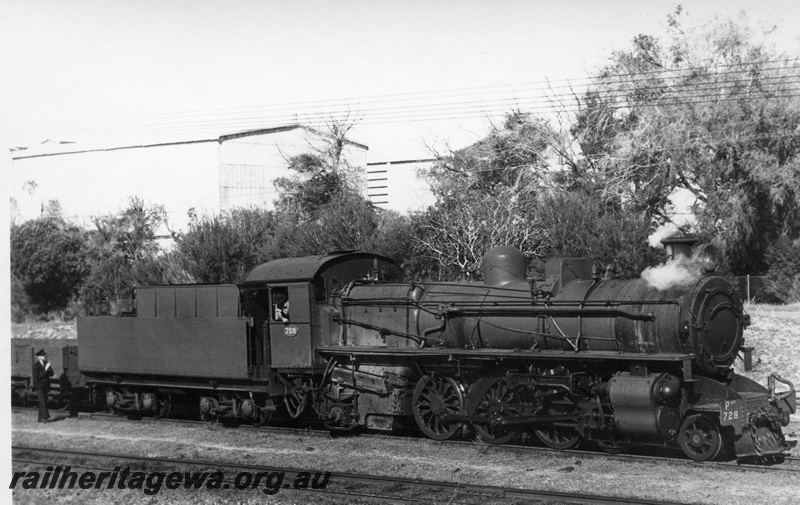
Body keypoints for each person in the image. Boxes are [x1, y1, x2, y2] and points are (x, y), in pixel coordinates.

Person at [33, 349, 54, 423]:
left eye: (44, 355)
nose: (45, 356)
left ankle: (39, 418)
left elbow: (52, 374)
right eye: (43, 355)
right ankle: (45, 418)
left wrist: (49, 368)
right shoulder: (36, 365)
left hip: (45, 386)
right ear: (39, 357)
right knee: (43, 402)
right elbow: (38, 376)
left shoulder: (46, 364)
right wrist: (45, 370)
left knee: (43, 402)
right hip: (39, 386)